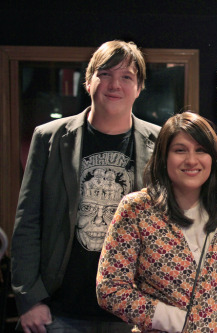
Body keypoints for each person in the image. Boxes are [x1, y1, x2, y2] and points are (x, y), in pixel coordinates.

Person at [10, 40, 161, 332]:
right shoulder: (48, 138)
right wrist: (30, 300)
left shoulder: (161, 142)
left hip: (132, 314)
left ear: (139, 87)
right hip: (59, 312)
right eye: (104, 74)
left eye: (126, 76)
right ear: (88, 82)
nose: (114, 84)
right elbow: (27, 224)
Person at [96, 111, 217, 332]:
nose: (191, 160)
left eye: (201, 150)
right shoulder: (136, 209)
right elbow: (110, 288)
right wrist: (179, 322)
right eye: (180, 150)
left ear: (213, 157)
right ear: (164, 157)